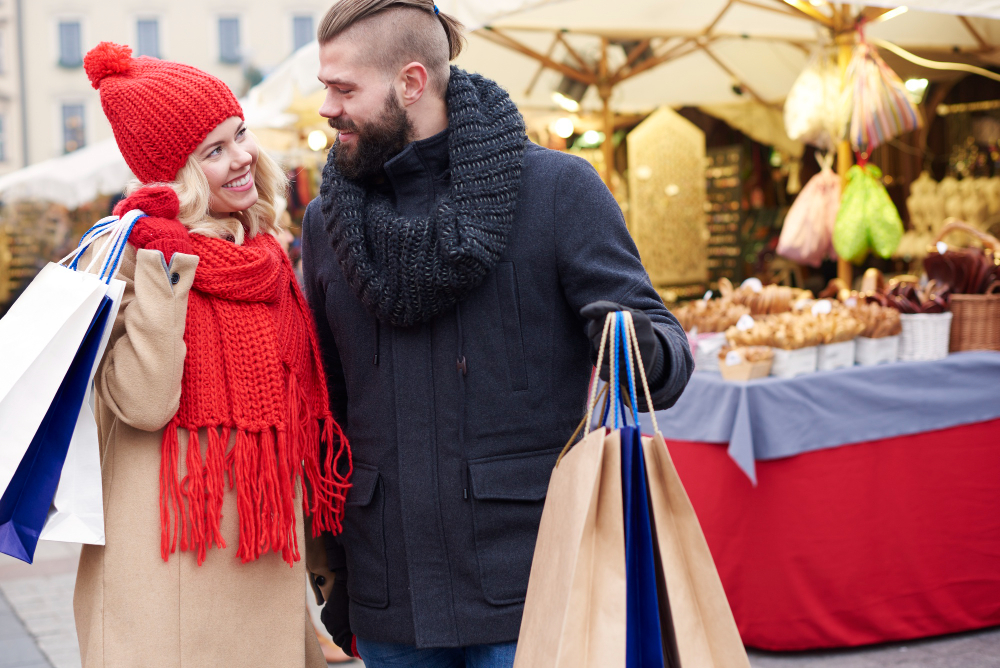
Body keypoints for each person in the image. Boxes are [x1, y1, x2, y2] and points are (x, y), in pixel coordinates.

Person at [301, 1, 694, 666]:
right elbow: (327, 407)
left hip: (533, 585)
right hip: (387, 594)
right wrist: (335, 573)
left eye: (344, 89)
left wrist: (636, 344)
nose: (327, 108)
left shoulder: (557, 190)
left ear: (412, 82)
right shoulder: (326, 223)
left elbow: (667, 353)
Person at [73, 42, 351, 667]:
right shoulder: (125, 258)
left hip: (266, 556)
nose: (243, 156)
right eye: (214, 150)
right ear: (174, 175)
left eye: (240, 134)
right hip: (166, 572)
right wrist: (163, 264)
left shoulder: (269, 258)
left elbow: (299, 419)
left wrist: (325, 572)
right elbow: (145, 404)